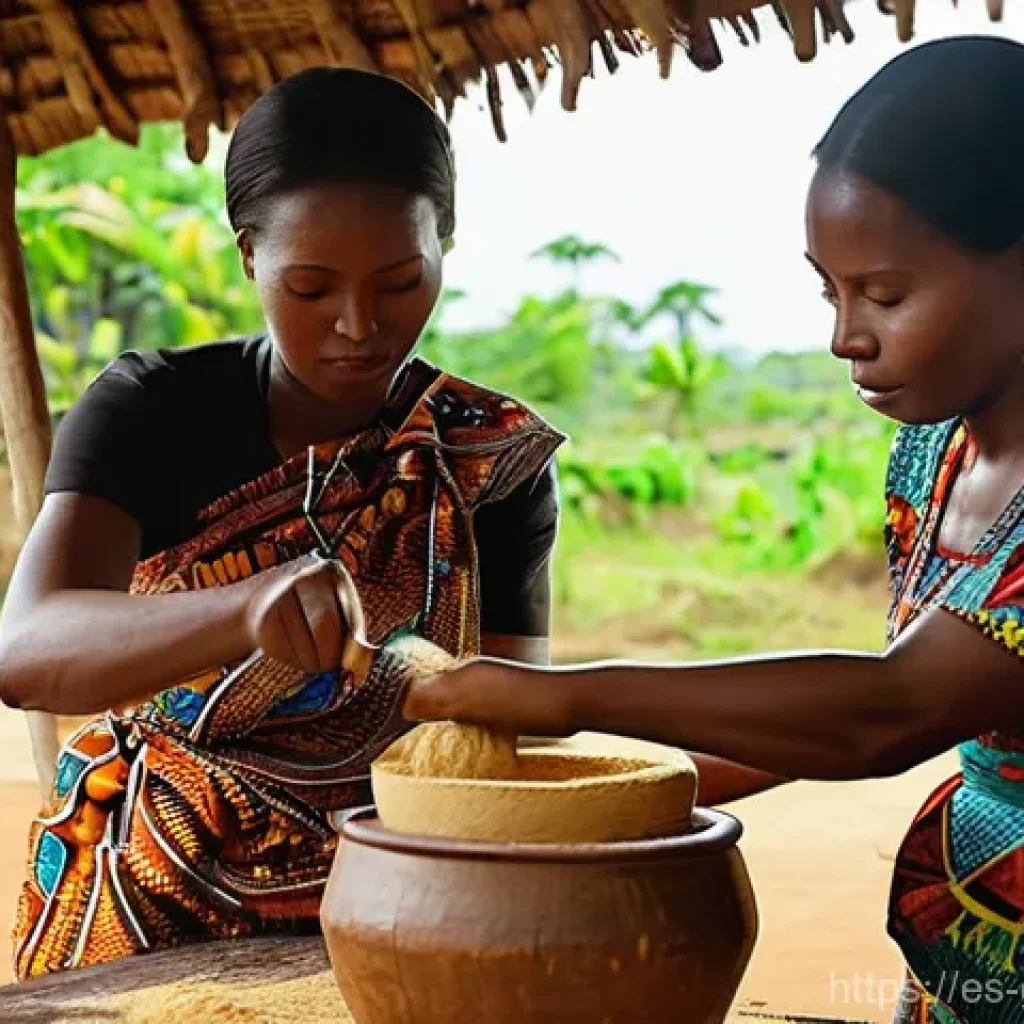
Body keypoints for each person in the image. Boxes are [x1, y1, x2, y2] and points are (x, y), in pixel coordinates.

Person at [404, 36, 1024, 1023]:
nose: (844, 337)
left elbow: (892, 711)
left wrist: (561, 699)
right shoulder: (934, 457)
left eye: (886, 294)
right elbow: (882, 689)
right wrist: (576, 800)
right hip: (968, 959)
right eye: (830, 290)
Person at [0, 67, 563, 980]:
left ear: (445, 245)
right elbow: (27, 649)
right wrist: (244, 608)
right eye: (310, 287)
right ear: (247, 258)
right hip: (147, 891)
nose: (358, 326)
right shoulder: (150, 411)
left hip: (392, 897)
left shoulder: (482, 460)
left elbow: (503, 728)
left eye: (400, 281)